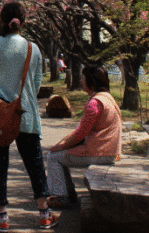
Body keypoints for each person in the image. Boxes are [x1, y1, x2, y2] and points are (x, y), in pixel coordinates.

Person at [0, 2, 57, 232]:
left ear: (2, 21)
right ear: (23, 23)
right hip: (25, 114)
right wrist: (23, 99)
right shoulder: (33, 49)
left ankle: (2, 216)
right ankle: (44, 213)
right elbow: (36, 82)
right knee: (34, 164)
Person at [46, 65, 122, 208]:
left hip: (99, 152)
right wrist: (62, 145)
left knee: (53, 157)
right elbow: (81, 132)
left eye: (83, 78)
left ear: (91, 82)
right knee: (59, 154)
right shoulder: (108, 98)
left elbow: (80, 134)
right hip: (110, 151)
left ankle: (62, 197)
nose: (81, 81)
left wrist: (59, 146)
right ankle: (68, 194)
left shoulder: (94, 103)